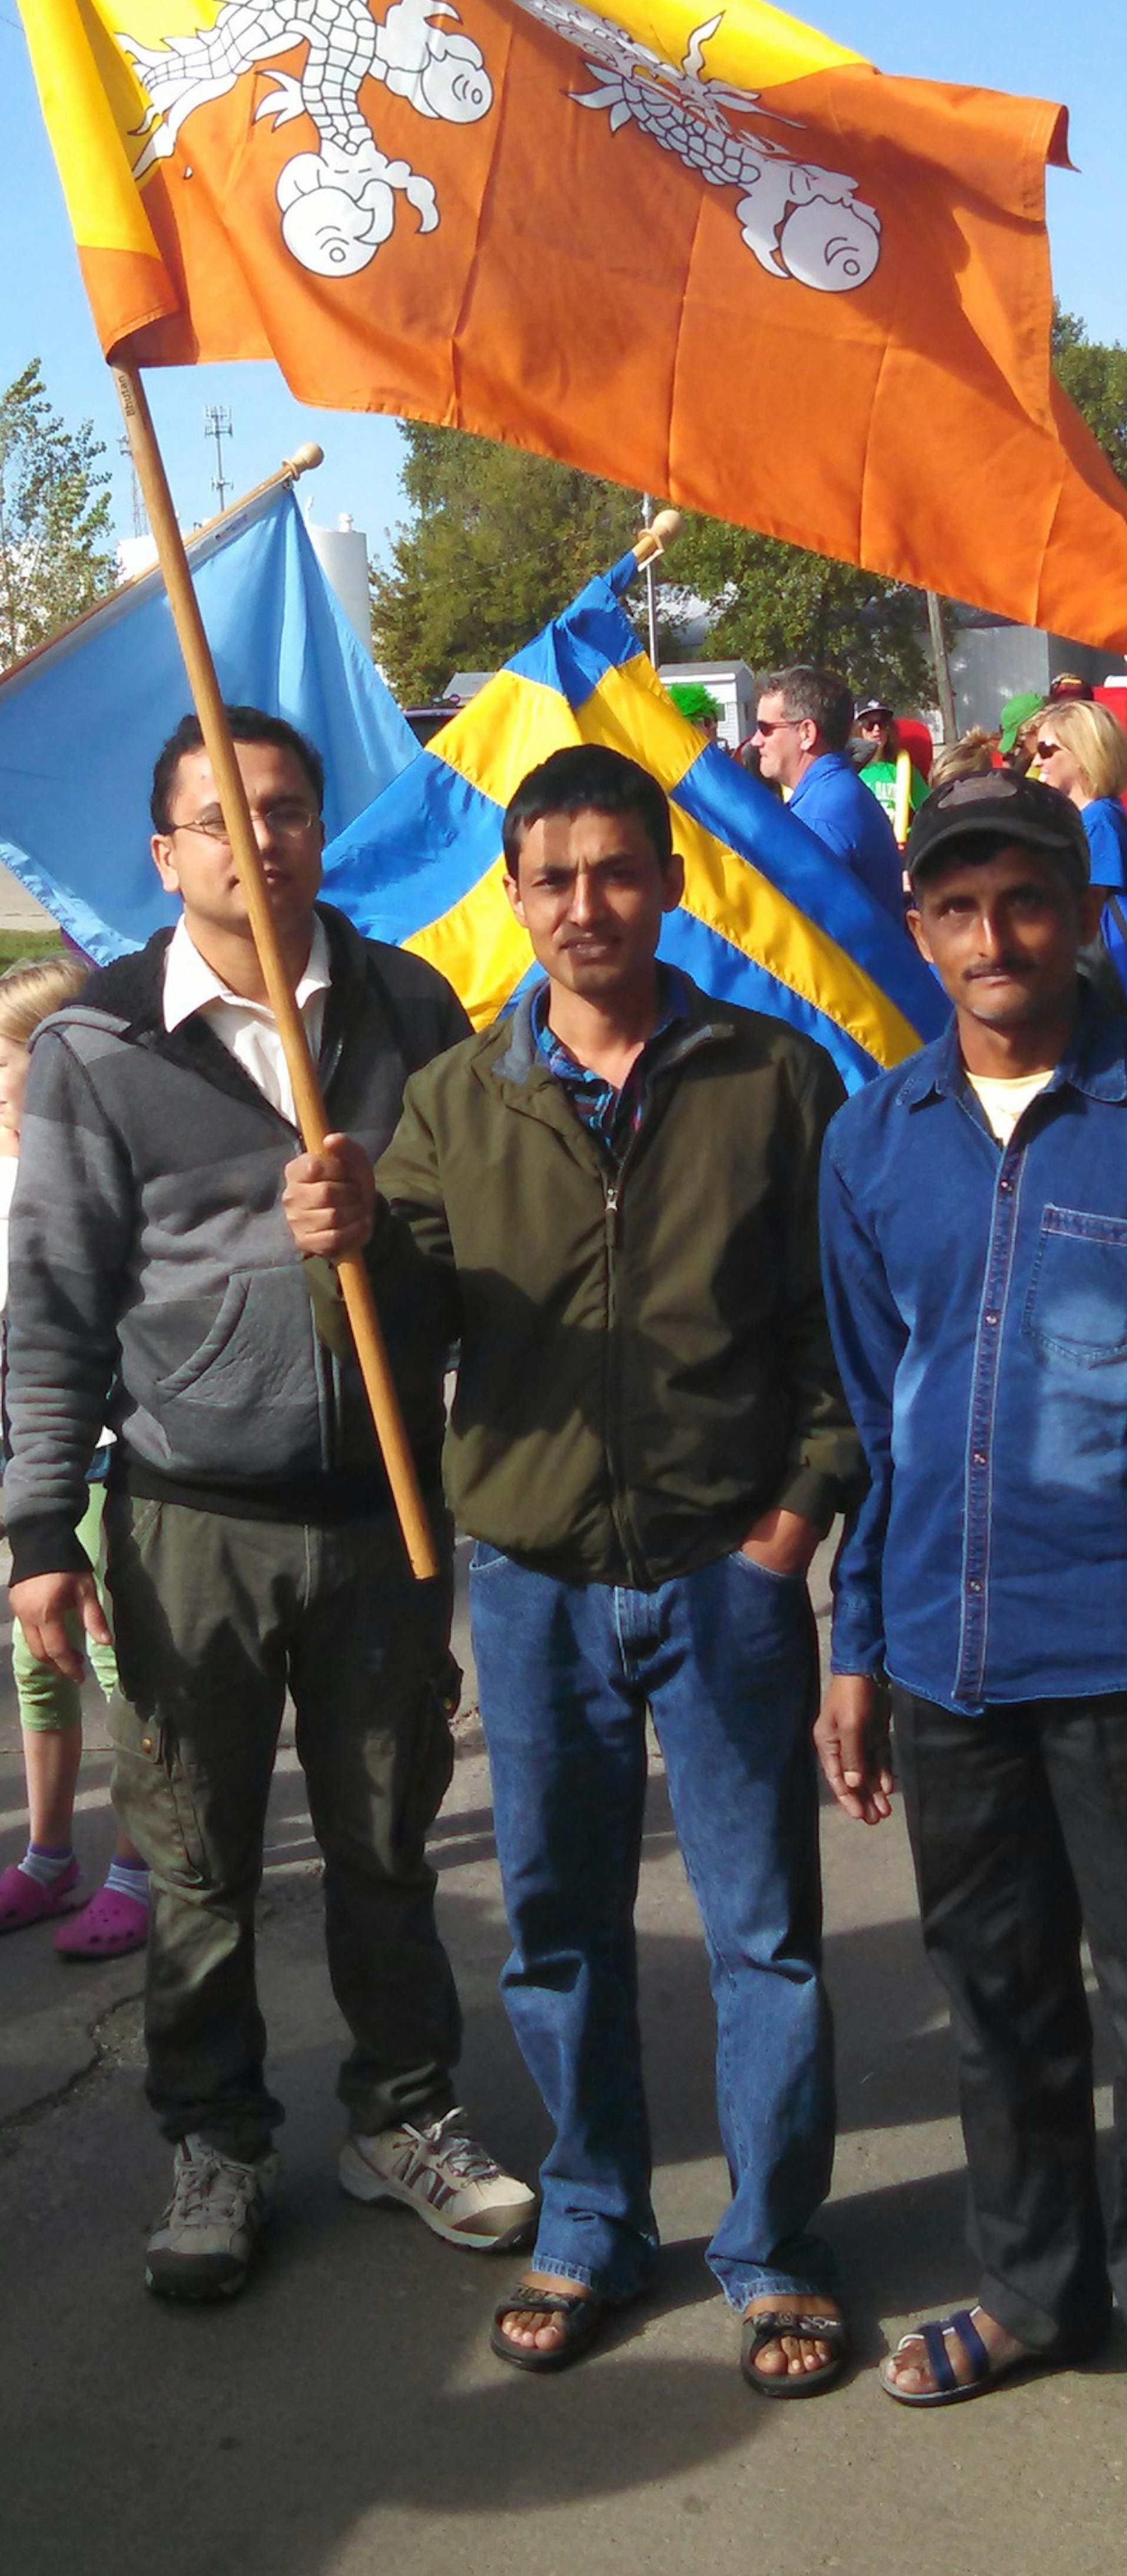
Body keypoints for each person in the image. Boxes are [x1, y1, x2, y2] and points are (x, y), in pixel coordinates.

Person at [283, 742, 863, 2392]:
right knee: (556, 1924)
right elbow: (395, 1340)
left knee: (764, 1932)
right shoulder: (457, 1103)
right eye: (555, 877)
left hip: (724, 1570)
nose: (587, 903)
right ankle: (595, 2219)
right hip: (534, 1580)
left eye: (619, 870)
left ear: (670, 884)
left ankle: (775, 2247)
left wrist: (794, 1519)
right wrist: (350, 1247)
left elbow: (835, 1334)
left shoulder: (771, 1078)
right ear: (518, 897)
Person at [4, 705, 533, 2302]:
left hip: (377, 1508)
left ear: (321, 830)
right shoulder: (99, 1045)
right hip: (184, 1515)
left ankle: (403, 2112)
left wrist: (382, 1225)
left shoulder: (408, 1006)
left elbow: (487, 1252)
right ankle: (217, 2139)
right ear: (167, 855)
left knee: (384, 1841)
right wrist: (35, 1528)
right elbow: (55, 1308)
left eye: (289, 807)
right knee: (196, 1858)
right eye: (221, 818)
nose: (263, 838)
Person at [814, 766, 1127, 2501]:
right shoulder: (876, 1136)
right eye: (957, 908)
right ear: (918, 928)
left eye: (1025, 901)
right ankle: (1031, 2287)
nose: (993, 938)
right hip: (942, 1651)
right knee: (995, 2001)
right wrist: (856, 1643)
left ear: (1080, 914)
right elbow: (866, 1418)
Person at [0, 954, 150, 1957]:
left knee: (121, 1668)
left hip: (104, 1459)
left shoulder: (103, 1157)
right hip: (25, 1470)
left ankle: (139, 1863)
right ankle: (48, 1856)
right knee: (37, 1664)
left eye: (8, 1057)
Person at [753, 665, 906, 922]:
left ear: (807, 733)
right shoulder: (839, 794)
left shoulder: (820, 818)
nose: (756, 741)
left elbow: (796, 926)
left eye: (765, 728)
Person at [1033, 695, 1127, 904]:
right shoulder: (1095, 814)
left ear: (1082, 755)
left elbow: (1091, 908)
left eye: (1045, 751)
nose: (1037, 761)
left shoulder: (1097, 821)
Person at [853, 700, 932, 841]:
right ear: (860, 730)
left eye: (883, 723)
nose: (877, 729)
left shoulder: (904, 769)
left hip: (899, 848)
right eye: (869, 724)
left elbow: (931, 808)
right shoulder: (850, 770)